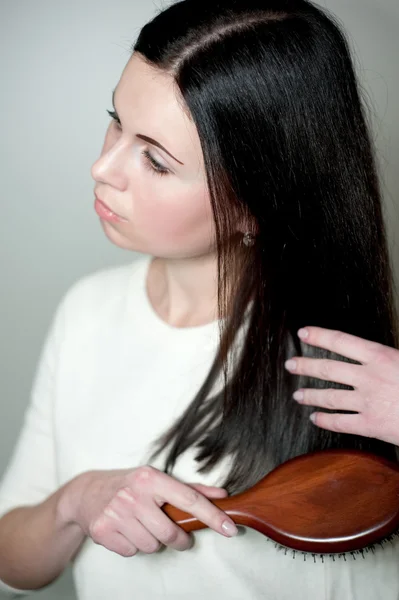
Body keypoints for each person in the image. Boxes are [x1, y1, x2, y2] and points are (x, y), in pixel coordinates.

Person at [0, 0, 398, 598]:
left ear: (257, 203)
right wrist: (75, 502)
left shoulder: (354, 371)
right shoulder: (86, 311)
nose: (102, 167)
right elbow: (14, 559)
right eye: (116, 120)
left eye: (156, 160)